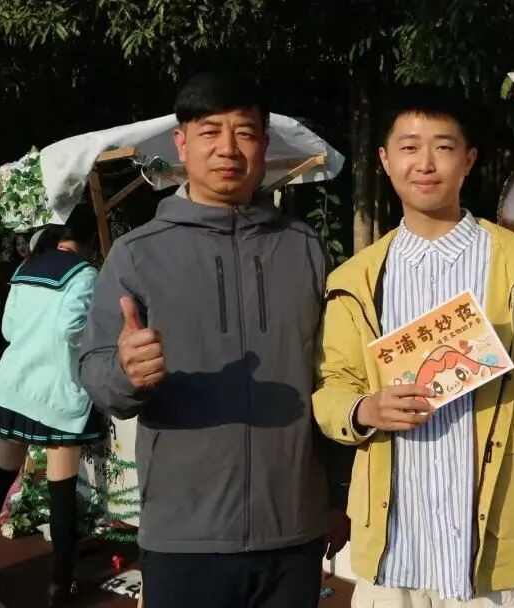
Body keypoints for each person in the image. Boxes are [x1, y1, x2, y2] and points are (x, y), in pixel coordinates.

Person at [312, 88, 514, 607]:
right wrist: (364, 409)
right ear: (384, 160)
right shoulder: (354, 281)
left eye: (443, 147)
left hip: (494, 552)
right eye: (409, 147)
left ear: (468, 160)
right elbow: (333, 387)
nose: (425, 163)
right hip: (394, 550)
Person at [78, 71, 349, 608]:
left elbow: (335, 375)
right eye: (209, 132)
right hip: (185, 534)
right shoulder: (138, 253)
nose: (228, 148)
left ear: (264, 144)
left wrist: (338, 494)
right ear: (182, 144)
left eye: (244, 132)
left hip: (292, 529)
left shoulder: (305, 249)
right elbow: (97, 373)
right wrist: (126, 374)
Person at [0, 223, 104, 606]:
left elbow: (7, 328)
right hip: (57, 395)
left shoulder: (25, 269)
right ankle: (61, 584)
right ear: (87, 244)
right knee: (61, 490)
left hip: (14, 389)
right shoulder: (86, 274)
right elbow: (74, 329)